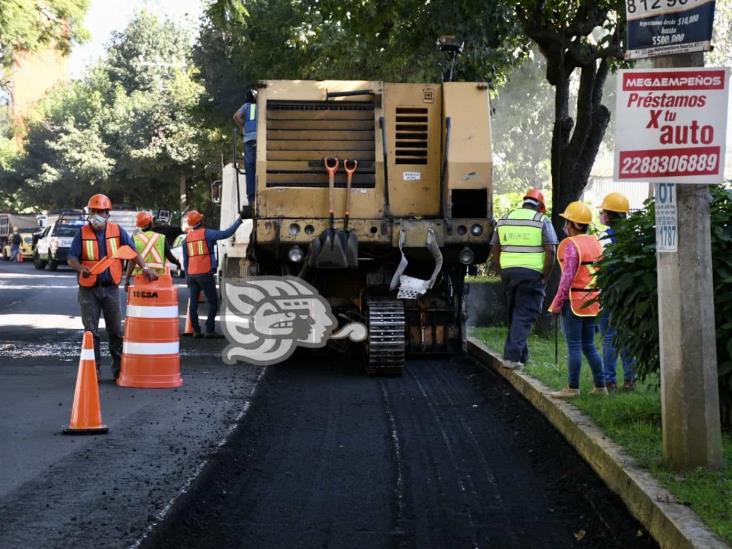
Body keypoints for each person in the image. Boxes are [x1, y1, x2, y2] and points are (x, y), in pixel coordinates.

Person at [68, 194, 158, 380]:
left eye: (100, 212)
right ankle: (94, 370)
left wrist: (146, 268)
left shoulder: (118, 231)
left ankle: (119, 369)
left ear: (108, 214)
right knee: (90, 331)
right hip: (88, 289)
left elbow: (133, 252)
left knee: (116, 331)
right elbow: (72, 258)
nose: (96, 215)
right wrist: (80, 268)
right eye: (93, 211)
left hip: (110, 288)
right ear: (89, 212)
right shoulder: (82, 233)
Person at [491, 188, 558, 368]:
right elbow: (551, 250)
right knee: (524, 314)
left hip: (508, 273)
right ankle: (511, 358)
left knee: (515, 313)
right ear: (540, 207)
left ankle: (522, 357)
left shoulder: (505, 218)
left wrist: (500, 270)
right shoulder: (542, 220)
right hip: (531, 274)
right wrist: (546, 276)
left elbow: (495, 247)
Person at [547, 201, 606, 398]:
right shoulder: (596, 242)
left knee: (574, 345)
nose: (565, 226)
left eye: (567, 222)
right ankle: (600, 386)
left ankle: (572, 387)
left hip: (573, 302)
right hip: (593, 301)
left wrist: (556, 303)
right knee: (588, 345)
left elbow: (567, 278)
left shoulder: (572, 246)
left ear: (574, 224)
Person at [183, 209, 245, 338]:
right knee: (213, 302)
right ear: (200, 221)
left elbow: (186, 259)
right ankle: (210, 330)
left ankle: (196, 330)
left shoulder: (187, 238)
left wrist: (187, 277)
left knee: (193, 303)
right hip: (205, 273)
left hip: (192, 274)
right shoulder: (208, 234)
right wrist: (239, 221)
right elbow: (226, 233)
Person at [597, 192, 636, 392]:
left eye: (603, 211)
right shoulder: (635, 235)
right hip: (629, 294)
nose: (601, 215)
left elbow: (599, 265)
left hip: (609, 293)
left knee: (610, 337)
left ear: (610, 215)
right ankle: (630, 380)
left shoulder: (605, 239)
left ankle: (609, 381)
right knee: (627, 336)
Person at [124, 211, 182, 291]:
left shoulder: (135, 238)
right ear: (150, 223)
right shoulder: (161, 238)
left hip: (140, 277)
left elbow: (131, 261)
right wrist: (177, 263)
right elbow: (170, 257)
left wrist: (127, 280)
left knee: (140, 302)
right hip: (158, 277)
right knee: (155, 302)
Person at [233, 88, 258, 217]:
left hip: (248, 140)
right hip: (260, 141)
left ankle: (252, 199)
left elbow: (236, 116)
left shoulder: (246, 106)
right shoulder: (261, 105)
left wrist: (243, 126)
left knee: (250, 168)